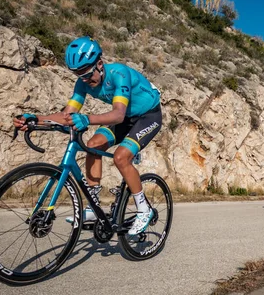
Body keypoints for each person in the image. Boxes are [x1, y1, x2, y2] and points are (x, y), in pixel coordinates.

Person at [13, 36, 162, 235]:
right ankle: (93, 208)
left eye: (87, 74)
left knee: (121, 157)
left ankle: (144, 209)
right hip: (125, 118)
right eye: (78, 75)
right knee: (93, 145)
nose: (84, 80)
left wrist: (86, 119)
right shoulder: (82, 83)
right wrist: (35, 118)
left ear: (99, 63)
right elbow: (67, 115)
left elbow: (117, 114)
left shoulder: (119, 74)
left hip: (148, 116)